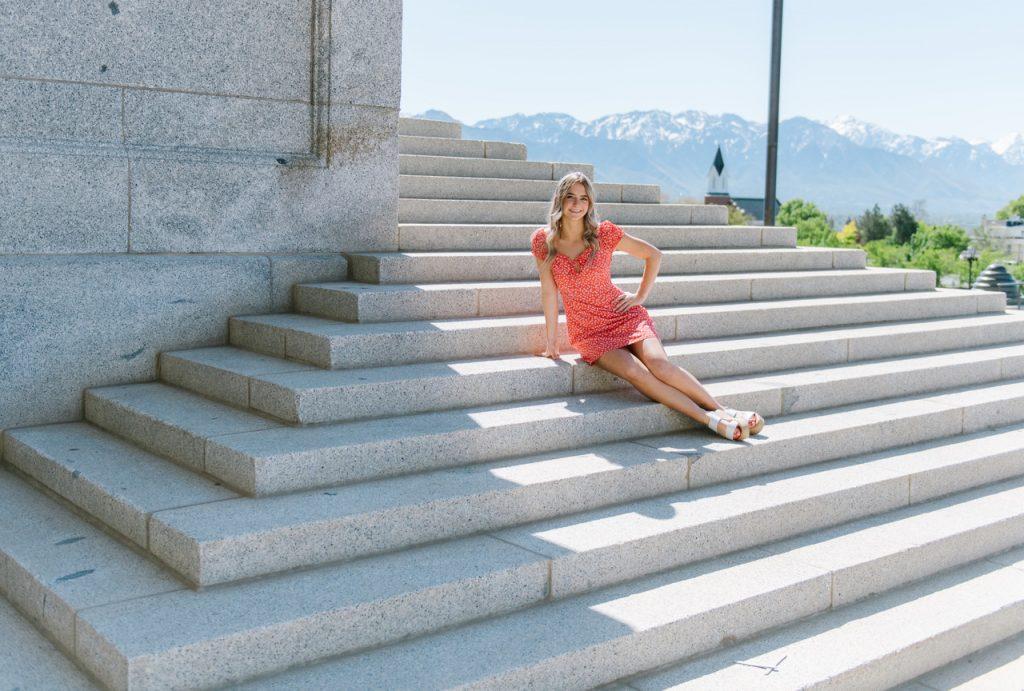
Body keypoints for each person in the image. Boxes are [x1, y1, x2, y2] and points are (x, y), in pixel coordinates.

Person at [530, 171, 764, 441]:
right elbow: (549, 292)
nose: (577, 204)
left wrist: (639, 297)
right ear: (560, 200)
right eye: (570, 197)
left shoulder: (603, 233)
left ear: (590, 203)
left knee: (659, 364)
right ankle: (708, 419)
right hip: (590, 332)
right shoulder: (543, 241)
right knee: (637, 373)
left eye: (583, 198)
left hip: (623, 317)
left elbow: (653, 255)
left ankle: (724, 410)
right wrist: (551, 342)